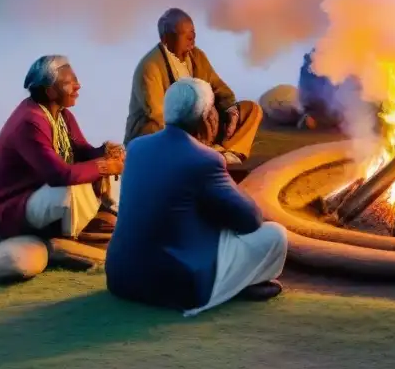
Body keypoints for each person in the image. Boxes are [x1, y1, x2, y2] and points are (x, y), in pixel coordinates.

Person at [107, 78, 287, 315]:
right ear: (207, 117)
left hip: (122, 278)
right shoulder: (205, 159)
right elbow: (250, 220)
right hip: (178, 287)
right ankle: (241, 283)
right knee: (275, 235)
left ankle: (237, 281)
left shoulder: (137, 147)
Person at [0, 55, 123, 244]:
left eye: (76, 80)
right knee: (71, 188)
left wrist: (106, 152)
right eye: (69, 82)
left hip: (39, 191)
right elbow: (60, 176)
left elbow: (82, 151)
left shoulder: (63, 115)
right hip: (10, 210)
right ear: (50, 91)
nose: (78, 86)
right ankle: (71, 237)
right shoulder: (29, 122)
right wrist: (105, 166)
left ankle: (112, 215)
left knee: (112, 163)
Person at [125, 8, 263, 166]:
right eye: (185, 34)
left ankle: (227, 152)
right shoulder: (150, 67)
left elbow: (219, 88)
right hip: (163, 135)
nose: (192, 38)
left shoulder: (197, 56)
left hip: (202, 132)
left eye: (193, 32)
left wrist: (231, 111)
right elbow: (157, 115)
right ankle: (200, 153)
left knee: (251, 109)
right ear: (166, 38)